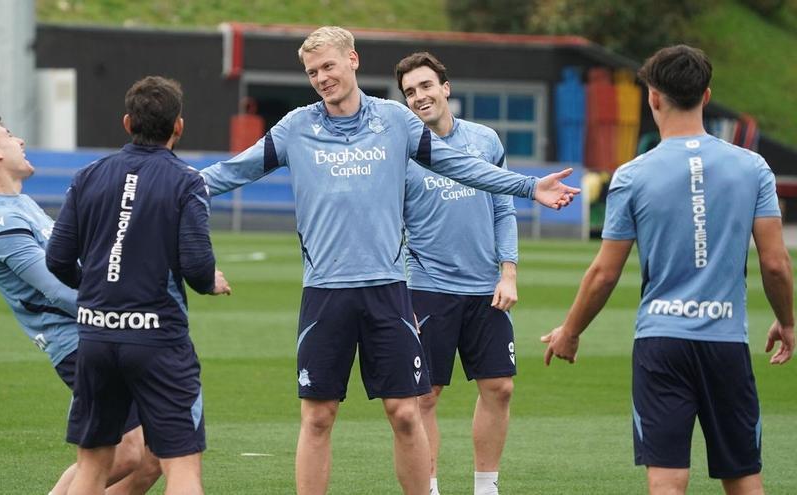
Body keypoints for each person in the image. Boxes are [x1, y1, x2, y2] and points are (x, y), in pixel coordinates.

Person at [200, 26, 579, 495]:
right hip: (324, 294)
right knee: (318, 416)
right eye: (313, 71)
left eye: (329, 66)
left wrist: (527, 186)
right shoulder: (295, 127)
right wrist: (173, 186)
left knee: (405, 412)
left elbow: (458, 163)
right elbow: (232, 171)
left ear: (353, 61)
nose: (322, 78)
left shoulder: (395, 122)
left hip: (387, 293)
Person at [542, 45, 794, 494]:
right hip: (725, 343)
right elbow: (775, 264)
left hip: (662, 344)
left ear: (653, 98)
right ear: (707, 94)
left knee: (667, 481)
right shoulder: (752, 167)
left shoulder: (633, 175)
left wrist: (571, 331)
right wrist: (788, 322)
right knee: (743, 477)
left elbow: (604, 273)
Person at [0, 114, 162, 494]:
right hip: (80, 343)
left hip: (101, 333)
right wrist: (125, 317)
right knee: (125, 454)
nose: (20, 140)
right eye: (9, 135)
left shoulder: (20, 203)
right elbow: (56, 290)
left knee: (152, 458)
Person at [46, 76, 231, 495]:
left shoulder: (89, 174)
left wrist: (94, 286)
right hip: (158, 341)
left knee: (91, 466)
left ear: (127, 122)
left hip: (94, 336)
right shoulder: (187, 181)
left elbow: (57, 258)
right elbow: (197, 265)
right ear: (178, 126)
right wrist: (210, 284)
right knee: (182, 467)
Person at [396, 51, 517, 495]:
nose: (419, 96)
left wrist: (509, 273)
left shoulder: (485, 141)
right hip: (428, 289)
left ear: (445, 88)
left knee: (500, 387)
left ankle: (486, 487)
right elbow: (389, 223)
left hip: (487, 288)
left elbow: (504, 209)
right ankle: (428, 487)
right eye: (410, 92)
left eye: (426, 86)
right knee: (425, 395)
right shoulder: (403, 153)